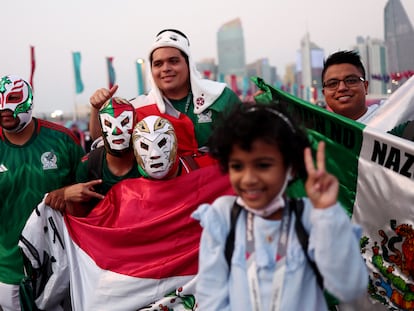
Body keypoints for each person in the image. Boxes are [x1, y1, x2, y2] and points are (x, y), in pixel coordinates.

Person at [192, 102, 368, 310]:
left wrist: (327, 213)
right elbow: (211, 300)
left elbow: (349, 287)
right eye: (237, 166)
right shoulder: (223, 216)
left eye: (263, 165)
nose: (248, 179)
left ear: (291, 168)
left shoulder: (311, 217)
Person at [0, 75, 84, 310]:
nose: (4, 107)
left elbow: (88, 192)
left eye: (13, 99)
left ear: (29, 100)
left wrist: (67, 193)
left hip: (62, 265)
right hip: (8, 270)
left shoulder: (62, 140)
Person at [89, 28, 242, 150]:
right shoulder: (139, 107)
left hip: (220, 186)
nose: (166, 68)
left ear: (188, 64)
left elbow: (248, 140)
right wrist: (96, 109)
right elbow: (102, 142)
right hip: (165, 188)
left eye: (173, 61)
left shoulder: (219, 96)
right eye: (158, 64)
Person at [61, 97, 140, 217]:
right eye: (109, 123)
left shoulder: (147, 160)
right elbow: (78, 218)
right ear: (102, 127)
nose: (117, 131)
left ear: (135, 122)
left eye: (124, 122)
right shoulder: (89, 165)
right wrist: (66, 194)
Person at [321, 50, 380, 123]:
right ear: (324, 93)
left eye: (351, 81)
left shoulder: (389, 120)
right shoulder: (317, 131)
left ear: (365, 86)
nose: (342, 88)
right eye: (333, 84)